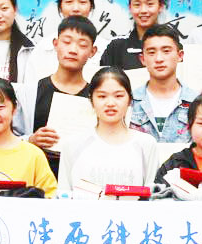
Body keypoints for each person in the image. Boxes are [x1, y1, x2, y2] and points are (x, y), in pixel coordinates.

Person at [59, 67, 160, 196]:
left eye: (118, 96)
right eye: (102, 96)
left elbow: (153, 198)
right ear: (91, 100)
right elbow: (63, 196)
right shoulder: (72, 145)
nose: (110, 103)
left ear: (129, 100)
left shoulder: (146, 144)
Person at [19, 15, 97, 156]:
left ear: (92, 51)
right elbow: (9, 138)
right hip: (38, 168)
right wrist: (30, 140)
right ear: (55, 44)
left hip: (81, 169)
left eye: (82, 45)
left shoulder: (97, 97)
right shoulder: (31, 92)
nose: (73, 50)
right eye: (67, 42)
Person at [127, 24, 200, 144]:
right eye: (151, 52)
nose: (159, 59)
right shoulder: (129, 102)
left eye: (166, 51)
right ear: (142, 59)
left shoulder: (197, 102)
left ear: (180, 56)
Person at [101, 0, 170, 70]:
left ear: (160, 6)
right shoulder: (116, 47)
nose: (143, 10)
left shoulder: (170, 44)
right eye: (137, 4)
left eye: (150, 4)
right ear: (130, 7)